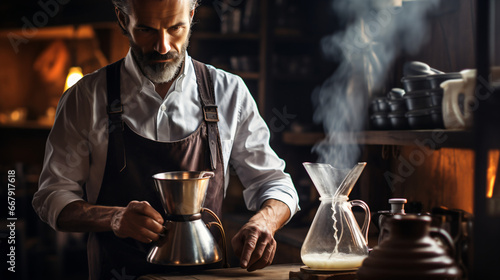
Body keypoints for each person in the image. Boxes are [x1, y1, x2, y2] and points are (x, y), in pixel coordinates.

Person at [32, 0, 299, 279]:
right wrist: (114, 218)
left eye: (176, 28)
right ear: (123, 20)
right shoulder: (85, 97)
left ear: (192, 15)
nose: (163, 46)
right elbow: (51, 197)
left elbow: (274, 183)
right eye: (146, 30)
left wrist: (265, 222)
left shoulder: (228, 93)